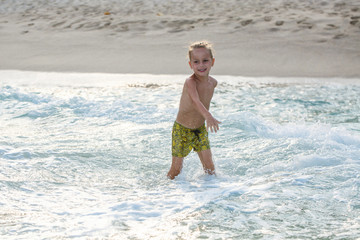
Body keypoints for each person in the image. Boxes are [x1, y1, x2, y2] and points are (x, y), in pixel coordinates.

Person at [167, 41, 221, 180]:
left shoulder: (213, 83)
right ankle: (164, 193)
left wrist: (206, 118)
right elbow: (196, 101)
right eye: (196, 62)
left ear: (212, 62)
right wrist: (208, 116)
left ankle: (211, 193)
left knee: (210, 168)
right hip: (182, 130)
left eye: (205, 61)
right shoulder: (190, 82)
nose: (201, 65)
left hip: (199, 130)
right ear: (191, 65)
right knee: (176, 170)